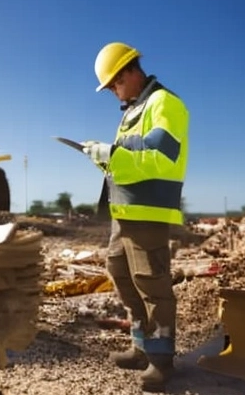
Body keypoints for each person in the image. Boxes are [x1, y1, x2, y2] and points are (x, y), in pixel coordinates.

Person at [81, 42, 189, 392]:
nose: (114, 92)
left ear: (131, 71)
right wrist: (103, 156)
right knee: (120, 273)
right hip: (124, 213)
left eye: (115, 84)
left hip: (148, 214)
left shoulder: (164, 104)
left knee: (152, 285)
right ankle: (142, 347)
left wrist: (111, 154)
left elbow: (161, 156)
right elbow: (127, 160)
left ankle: (161, 361)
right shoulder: (132, 111)